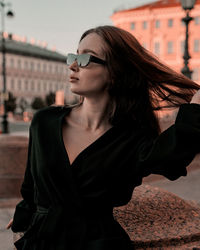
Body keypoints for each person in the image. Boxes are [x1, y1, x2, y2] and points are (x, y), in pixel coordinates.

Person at [7, 25, 200, 250]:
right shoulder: (44, 121)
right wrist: (25, 215)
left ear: (116, 72)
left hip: (99, 243)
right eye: (74, 55)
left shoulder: (133, 138)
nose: (73, 64)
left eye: (87, 58)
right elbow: (31, 186)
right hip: (41, 242)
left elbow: (171, 158)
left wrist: (196, 110)